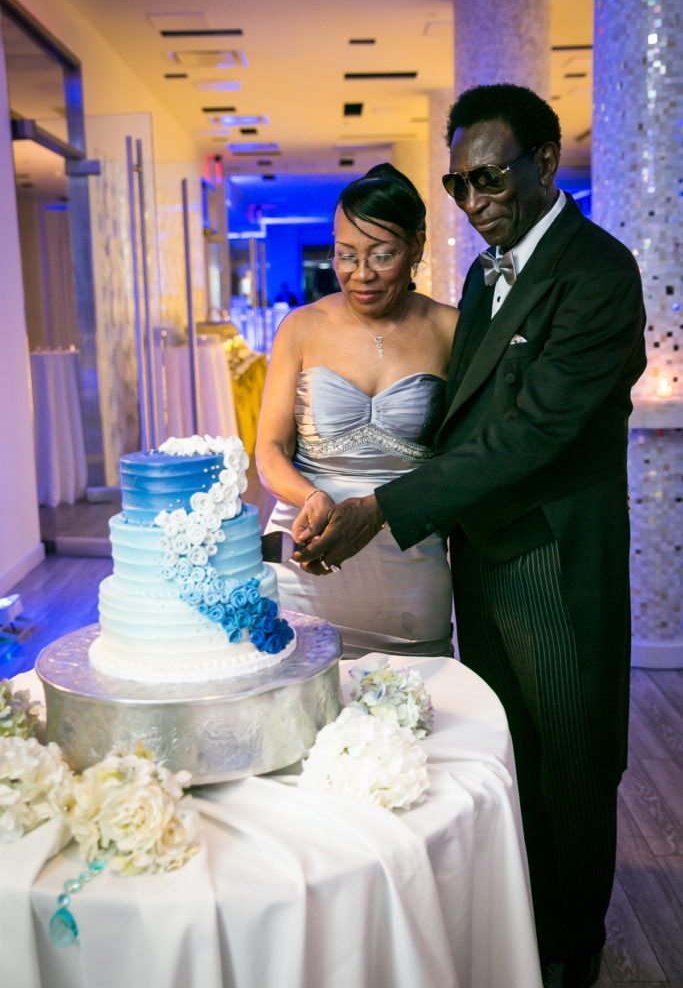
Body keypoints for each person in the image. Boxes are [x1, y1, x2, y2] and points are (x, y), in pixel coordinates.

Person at [294, 85, 646, 988]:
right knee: (498, 754)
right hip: (478, 561)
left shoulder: (598, 272)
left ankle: (573, 953)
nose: (476, 200)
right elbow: (462, 422)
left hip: (554, 562)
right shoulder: (486, 278)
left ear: (544, 158)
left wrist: (384, 506)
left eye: (489, 177)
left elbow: (529, 432)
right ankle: (511, 934)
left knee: (571, 764)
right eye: (458, 185)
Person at [256, 163, 458, 657]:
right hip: (305, 562)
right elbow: (269, 450)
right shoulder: (300, 328)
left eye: (381, 255)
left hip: (409, 572)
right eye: (345, 255)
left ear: (417, 246)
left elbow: (466, 458)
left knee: (414, 720)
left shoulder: (451, 330)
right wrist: (311, 497)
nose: (360, 274)